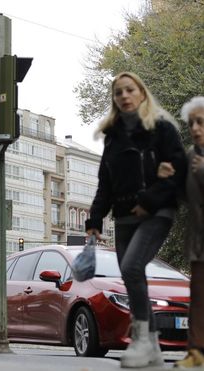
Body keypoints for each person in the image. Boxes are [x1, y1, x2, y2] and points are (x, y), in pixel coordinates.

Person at [84, 72, 186, 368]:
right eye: (119, 93)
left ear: (141, 93)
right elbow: (105, 183)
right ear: (115, 100)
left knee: (131, 266)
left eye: (130, 90)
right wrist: (94, 220)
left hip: (157, 212)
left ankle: (141, 340)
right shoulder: (113, 138)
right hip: (124, 215)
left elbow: (177, 169)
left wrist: (149, 200)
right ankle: (152, 346)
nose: (125, 96)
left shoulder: (162, 128)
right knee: (132, 275)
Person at [157, 96, 204, 369]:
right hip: (198, 240)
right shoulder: (191, 155)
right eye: (191, 124)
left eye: (201, 122)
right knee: (198, 297)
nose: (195, 128)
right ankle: (196, 351)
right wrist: (167, 176)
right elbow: (184, 197)